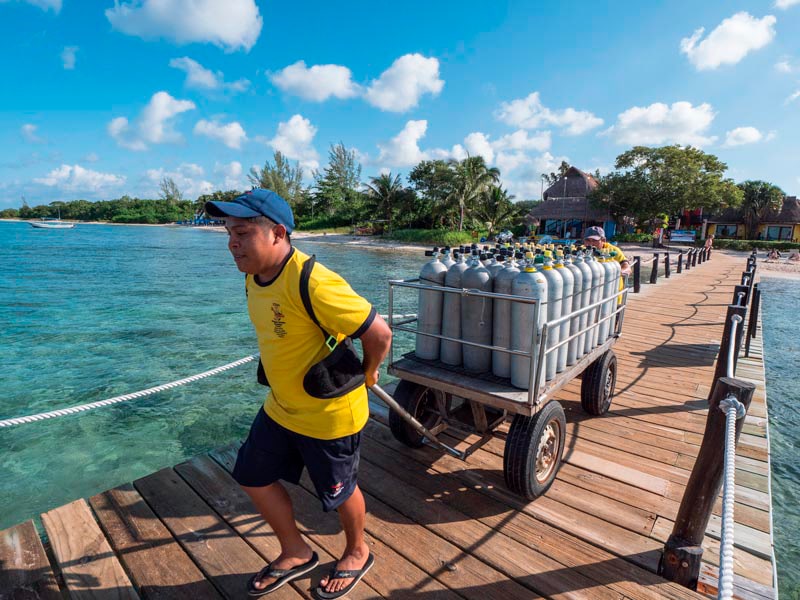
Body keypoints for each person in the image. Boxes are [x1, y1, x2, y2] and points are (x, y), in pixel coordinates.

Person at [205, 189, 392, 599]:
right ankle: (296, 552)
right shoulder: (255, 278)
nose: (232, 243)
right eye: (227, 233)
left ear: (277, 232)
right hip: (281, 407)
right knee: (252, 477)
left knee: (339, 494)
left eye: (241, 232)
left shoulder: (315, 281)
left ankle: (358, 551)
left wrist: (371, 371)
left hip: (329, 416)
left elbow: (378, 332)